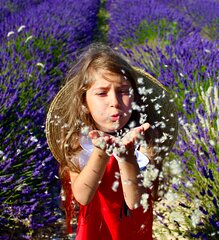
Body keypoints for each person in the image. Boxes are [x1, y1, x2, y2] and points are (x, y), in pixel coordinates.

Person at [46, 43, 178, 239]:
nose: (114, 101)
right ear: (84, 102)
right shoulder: (78, 142)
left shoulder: (145, 141)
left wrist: (127, 158)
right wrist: (100, 153)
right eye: (101, 93)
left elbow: (135, 202)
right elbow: (83, 196)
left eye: (124, 91)